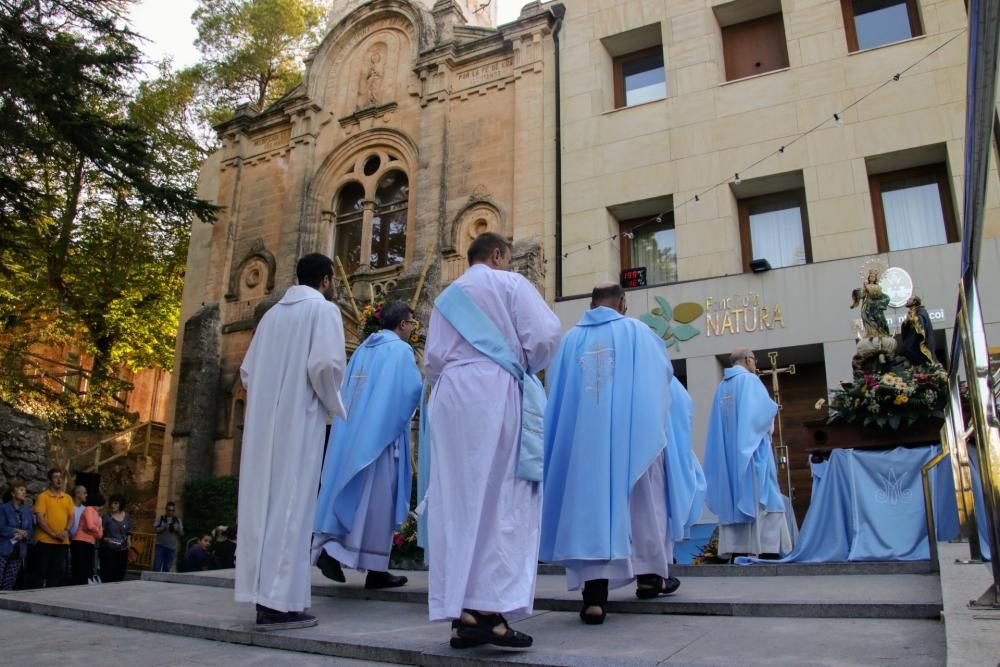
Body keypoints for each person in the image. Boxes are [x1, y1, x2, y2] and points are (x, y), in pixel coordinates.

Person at [423, 232, 561, 648]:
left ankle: (462, 612)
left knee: (457, 501)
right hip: (494, 389)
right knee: (502, 497)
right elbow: (546, 335)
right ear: (498, 255)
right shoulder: (511, 284)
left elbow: (431, 360)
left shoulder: (446, 298)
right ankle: (487, 612)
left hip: (449, 394)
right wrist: (522, 364)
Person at [541, 282, 683, 625]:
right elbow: (662, 378)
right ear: (623, 302)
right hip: (632, 437)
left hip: (583, 447)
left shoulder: (570, 339)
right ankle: (649, 577)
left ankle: (594, 598)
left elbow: (557, 393)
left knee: (592, 510)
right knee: (640, 503)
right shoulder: (638, 331)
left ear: (591, 303)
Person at [237, 253, 347, 631]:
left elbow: (248, 371)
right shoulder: (323, 312)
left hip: (262, 424)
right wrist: (336, 404)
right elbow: (326, 367)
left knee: (264, 505)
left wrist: (269, 399)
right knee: (291, 504)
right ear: (327, 280)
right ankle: (278, 604)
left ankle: (262, 594)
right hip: (299, 419)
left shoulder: (270, 317)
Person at [313, 301, 422, 589]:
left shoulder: (363, 349)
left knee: (354, 496)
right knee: (377, 505)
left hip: (352, 436)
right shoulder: (399, 350)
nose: (413, 328)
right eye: (413, 322)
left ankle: (335, 551)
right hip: (381, 441)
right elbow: (410, 392)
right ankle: (373, 569)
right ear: (402, 324)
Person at [703, 348, 791, 559]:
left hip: (729, 457)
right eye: (754, 359)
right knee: (761, 495)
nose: (755, 364)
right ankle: (765, 547)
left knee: (733, 497)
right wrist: (773, 412)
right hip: (751, 455)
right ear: (746, 360)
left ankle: (737, 548)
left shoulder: (721, 387)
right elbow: (761, 417)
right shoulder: (750, 382)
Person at [32, 468, 75, 587]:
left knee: (56, 574)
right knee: (40, 573)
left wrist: (66, 531)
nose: (59, 479)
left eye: (60, 477)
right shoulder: (43, 497)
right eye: (56, 477)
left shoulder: (68, 498)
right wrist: (54, 534)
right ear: (50, 480)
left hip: (62, 541)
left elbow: (71, 518)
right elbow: (40, 519)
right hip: (45, 540)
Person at [0, 481, 35, 590]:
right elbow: (1, 527)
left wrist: (25, 535)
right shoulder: (3, 508)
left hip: (19, 551)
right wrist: (16, 531)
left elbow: (31, 531)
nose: (24, 492)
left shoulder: (27, 511)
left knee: (9, 582)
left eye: (25, 490)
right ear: (12, 493)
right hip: (3, 549)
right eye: (21, 489)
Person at [69, 486, 103, 585]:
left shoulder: (91, 511)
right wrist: (96, 531)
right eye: (84, 493)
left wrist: (95, 531)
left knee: (86, 568)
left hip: (88, 542)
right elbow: (90, 526)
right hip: (77, 540)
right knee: (78, 568)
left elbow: (99, 532)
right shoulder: (86, 509)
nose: (86, 495)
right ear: (77, 494)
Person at [898, 295, 939, 367]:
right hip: (912, 335)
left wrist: (911, 319)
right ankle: (918, 364)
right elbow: (907, 325)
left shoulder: (921, 310)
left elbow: (922, 319)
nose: (907, 301)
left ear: (914, 302)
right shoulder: (911, 312)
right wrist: (905, 324)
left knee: (908, 349)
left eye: (909, 299)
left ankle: (922, 364)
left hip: (918, 335)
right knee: (904, 350)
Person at [100, 494, 132, 582]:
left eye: (116, 503)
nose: (112, 505)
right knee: (109, 575)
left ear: (121, 504)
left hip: (122, 550)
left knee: (120, 573)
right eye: (111, 503)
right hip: (109, 550)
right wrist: (106, 539)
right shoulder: (106, 517)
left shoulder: (127, 516)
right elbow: (100, 534)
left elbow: (129, 530)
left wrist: (129, 540)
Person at [153, 501, 184, 572]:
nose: (171, 512)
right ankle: (153, 581)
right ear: (166, 510)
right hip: (160, 546)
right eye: (169, 510)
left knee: (167, 568)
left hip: (171, 548)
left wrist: (177, 528)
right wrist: (163, 527)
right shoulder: (160, 518)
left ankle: (163, 582)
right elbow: (154, 530)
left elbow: (182, 534)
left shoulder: (177, 520)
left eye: (173, 510)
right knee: (157, 567)